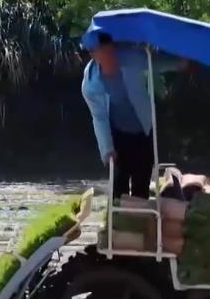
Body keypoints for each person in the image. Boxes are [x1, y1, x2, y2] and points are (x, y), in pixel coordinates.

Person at [81, 32, 189, 198]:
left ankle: (141, 219)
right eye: (103, 53)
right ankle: (118, 220)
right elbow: (99, 117)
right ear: (93, 54)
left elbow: (154, 63)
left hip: (143, 127)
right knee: (119, 182)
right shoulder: (91, 84)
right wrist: (107, 149)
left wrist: (180, 64)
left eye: (111, 51)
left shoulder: (130, 58)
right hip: (116, 133)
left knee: (142, 179)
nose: (110, 57)